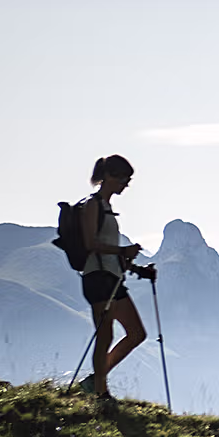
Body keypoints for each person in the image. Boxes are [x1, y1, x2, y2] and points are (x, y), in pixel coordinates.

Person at [78, 154, 154, 401]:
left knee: (136, 333)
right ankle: (100, 390)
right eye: (124, 179)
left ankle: (95, 381)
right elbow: (91, 243)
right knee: (105, 334)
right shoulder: (93, 205)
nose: (126, 185)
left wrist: (137, 268)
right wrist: (123, 251)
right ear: (109, 176)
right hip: (97, 277)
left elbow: (107, 248)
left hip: (111, 276)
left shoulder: (107, 208)